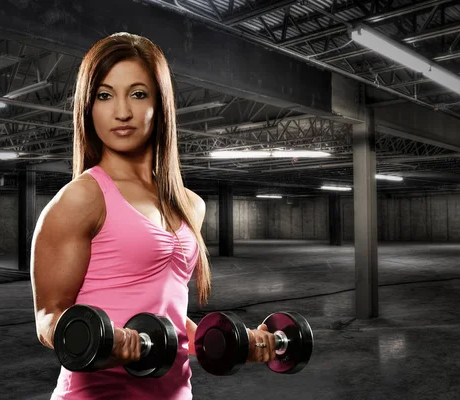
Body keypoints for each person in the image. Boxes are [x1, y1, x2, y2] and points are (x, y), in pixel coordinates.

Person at [30, 32, 276, 400]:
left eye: (138, 93)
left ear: (161, 104)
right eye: (105, 95)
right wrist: (108, 340)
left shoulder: (190, 204)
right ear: (88, 107)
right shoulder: (82, 198)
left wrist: (239, 342)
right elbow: (49, 318)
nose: (122, 111)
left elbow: (169, 321)